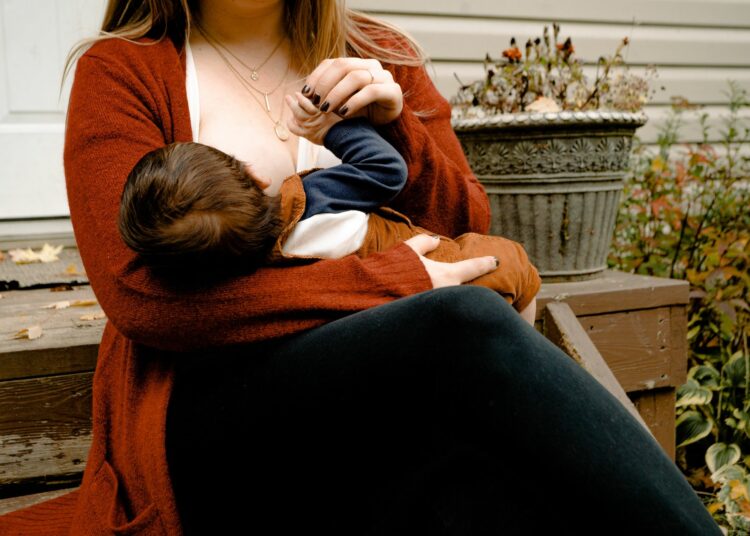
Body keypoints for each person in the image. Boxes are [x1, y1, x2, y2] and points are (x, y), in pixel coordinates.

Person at [0, 1, 721, 535]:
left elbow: (464, 224)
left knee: (480, 492)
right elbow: (142, 297)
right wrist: (393, 281)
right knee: (461, 321)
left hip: (380, 402)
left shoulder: (380, 54)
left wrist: (396, 124)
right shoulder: (125, 70)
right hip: (213, 409)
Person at [118, 97, 540, 320]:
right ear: (255, 176)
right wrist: (335, 130)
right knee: (516, 266)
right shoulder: (311, 199)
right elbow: (386, 170)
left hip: (403, 317)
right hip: (454, 267)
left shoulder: (254, 273)